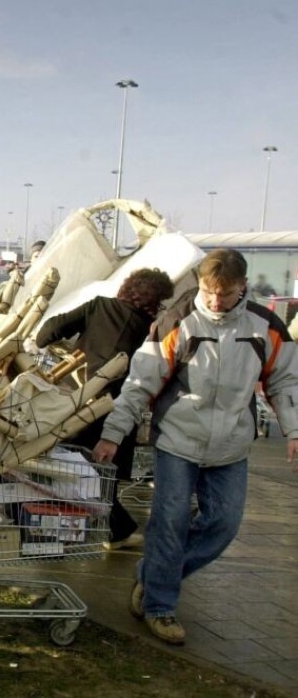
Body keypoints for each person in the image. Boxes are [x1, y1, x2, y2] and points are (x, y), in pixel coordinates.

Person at [93, 249, 298, 646]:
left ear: (243, 286)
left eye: (225, 293)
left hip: (231, 446)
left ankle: (152, 578)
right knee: (168, 522)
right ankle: (160, 607)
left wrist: (293, 431)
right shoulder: (178, 321)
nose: (215, 301)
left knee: (223, 524)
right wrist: (112, 434)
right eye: (208, 291)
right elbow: (140, 383)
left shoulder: (266, 327)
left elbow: (285, 384)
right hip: (177, 440)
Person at [30, 268, 176, 549]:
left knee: (69, 466)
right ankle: (114, 530)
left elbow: (45, 334)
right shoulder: (152, 329)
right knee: (101, 473)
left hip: (77, 401)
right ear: (154, 301)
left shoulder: (99, 306)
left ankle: (107, 529)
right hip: (119, 406)